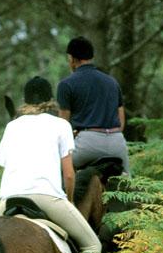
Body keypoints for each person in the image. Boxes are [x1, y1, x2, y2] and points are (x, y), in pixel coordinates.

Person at [0, 76, 102, 253]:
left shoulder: (12, 126)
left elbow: (4, 167)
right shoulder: (61, 125)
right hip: (46, 197)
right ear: (51, 100)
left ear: (25, 101)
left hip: (9, 199)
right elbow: (68, 175)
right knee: (93, 246)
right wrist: (70, 199)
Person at [56, 36, 130, 175]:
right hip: (117, 143)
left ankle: (63, 197)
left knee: (58, 170)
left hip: (87, 144)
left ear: (72, 59)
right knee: (130, 187)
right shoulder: (112, 82)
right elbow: (121, 121)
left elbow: (63, 126)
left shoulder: (66, 84)